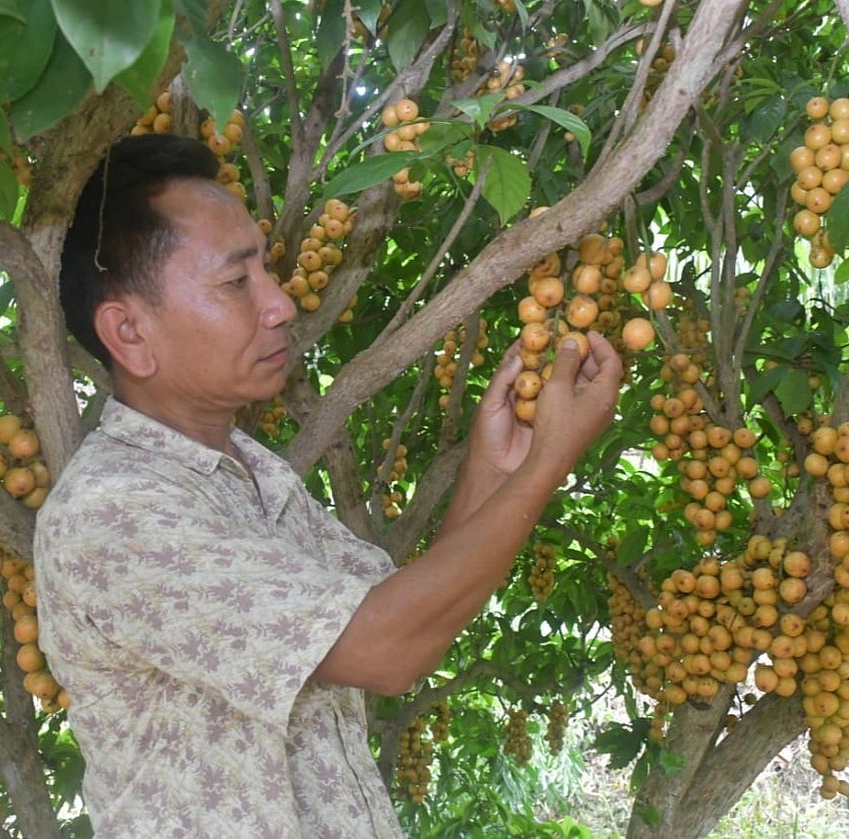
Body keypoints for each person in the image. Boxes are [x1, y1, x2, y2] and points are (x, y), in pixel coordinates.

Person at [34, 133, 621, 837]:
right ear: (128, 333)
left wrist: (498, 472)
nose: (280, 304)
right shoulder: (114, 511)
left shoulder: (250, 473)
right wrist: (548, 464)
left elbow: (397, 616)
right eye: (236, 281)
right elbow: (387, 648)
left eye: (267, 273)